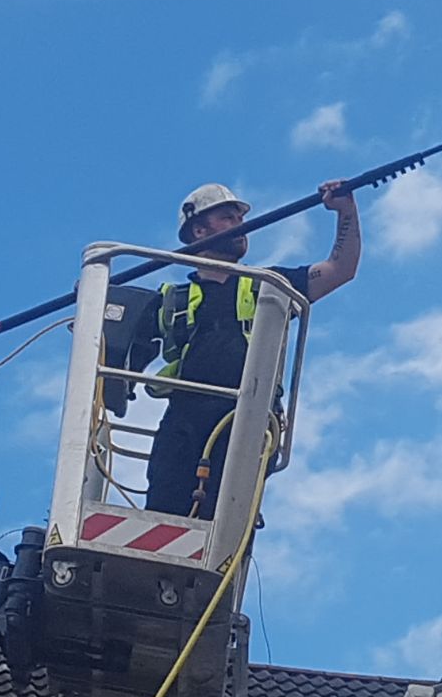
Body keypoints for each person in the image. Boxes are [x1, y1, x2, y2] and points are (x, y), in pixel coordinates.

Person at [143, 179, 361, 516]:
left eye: (239, 219)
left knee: (225, 517)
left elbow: (340, 269)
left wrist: (346, 212)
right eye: (228, 219)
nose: (240, 226)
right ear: (199, 231)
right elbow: (118, 344)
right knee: (163, 507)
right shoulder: (171, 300)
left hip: (247, 417)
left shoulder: (270, 285)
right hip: (185, 419)